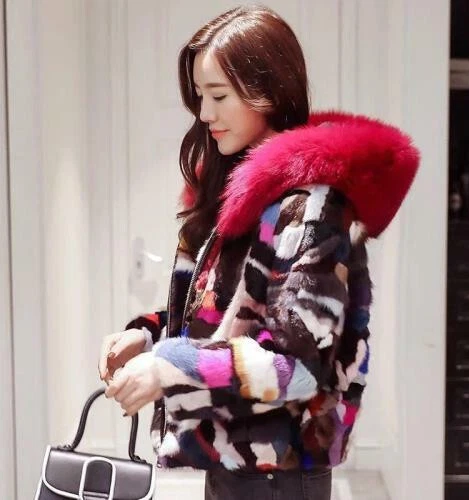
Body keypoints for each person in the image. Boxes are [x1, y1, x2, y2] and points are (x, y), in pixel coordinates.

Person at [98, 4, 419, 499]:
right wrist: (148, 336)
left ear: (268, 91)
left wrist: (168, 366)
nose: (205, 114)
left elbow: (297, 367)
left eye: (218, 96)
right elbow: (225, 318)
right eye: (200, 96)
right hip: (237, 463)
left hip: (278, 473)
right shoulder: (238, 195)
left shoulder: (312, 209)